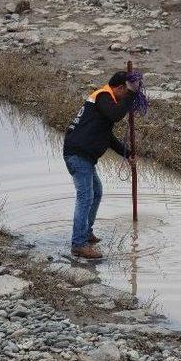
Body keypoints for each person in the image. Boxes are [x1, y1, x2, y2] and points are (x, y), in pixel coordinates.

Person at [63, 71, 137, 259]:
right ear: (120, 88)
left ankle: (85, 233)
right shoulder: (103, 96)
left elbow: (107, 137)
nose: (124, 98)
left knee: (96, 192)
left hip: (83, 155)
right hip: (78, 155)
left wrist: (127, 154)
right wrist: (131, 95)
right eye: (125, 92)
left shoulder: (105, 101)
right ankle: (78, 244)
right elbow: (115, 115)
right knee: (85, 197)